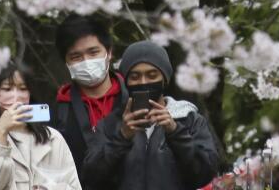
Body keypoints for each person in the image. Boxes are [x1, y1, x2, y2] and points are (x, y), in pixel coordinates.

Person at [83, 41, 219, 190]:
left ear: (165, 79)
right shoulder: (111, 124)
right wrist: (122, 137)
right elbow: (91, 177)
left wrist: (175, 131)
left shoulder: (190, 120)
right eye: (135, 77)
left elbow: (205, 173)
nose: (143, 82)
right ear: (126, 81)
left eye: (152, 75)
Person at [0, 62, 82, 190]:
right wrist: (1, 131)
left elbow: (74, 186)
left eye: (23, 89)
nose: (16, 97)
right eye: (7, 89)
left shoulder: (53, 138)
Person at [52, 15, 126, 184]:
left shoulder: (134, 100)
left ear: (109, 52)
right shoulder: (57, 112)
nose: (87, 61)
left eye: (93, 52)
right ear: (66, 62)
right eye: (76, 56)